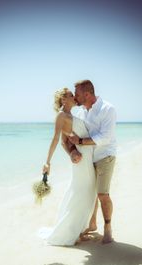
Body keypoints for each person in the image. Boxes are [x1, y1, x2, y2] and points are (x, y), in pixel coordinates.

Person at [38, 87, 96, 246]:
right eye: (72, 95)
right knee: (82, 193)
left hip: (86, 157)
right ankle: (71, 231)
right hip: (81, 160)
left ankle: (78, 229)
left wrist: (73, 151)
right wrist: (47, 162)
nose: (75, 97)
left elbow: (68, 140)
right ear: (64, 100)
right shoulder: (61, 116)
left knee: (86, 192)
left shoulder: (72, 115)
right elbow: (57, 139)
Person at [66, 79, 117, 243]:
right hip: (87, 160)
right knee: (89, 194)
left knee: (102, 194)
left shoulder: (107, 109)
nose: (75, 97)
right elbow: (69, 137)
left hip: (105, 156)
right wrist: (73, 151)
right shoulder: (80, 112)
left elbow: (105, 137)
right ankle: (92, 223)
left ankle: (108, 227)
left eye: (78, 94)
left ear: (87, 94)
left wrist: (80, 142)